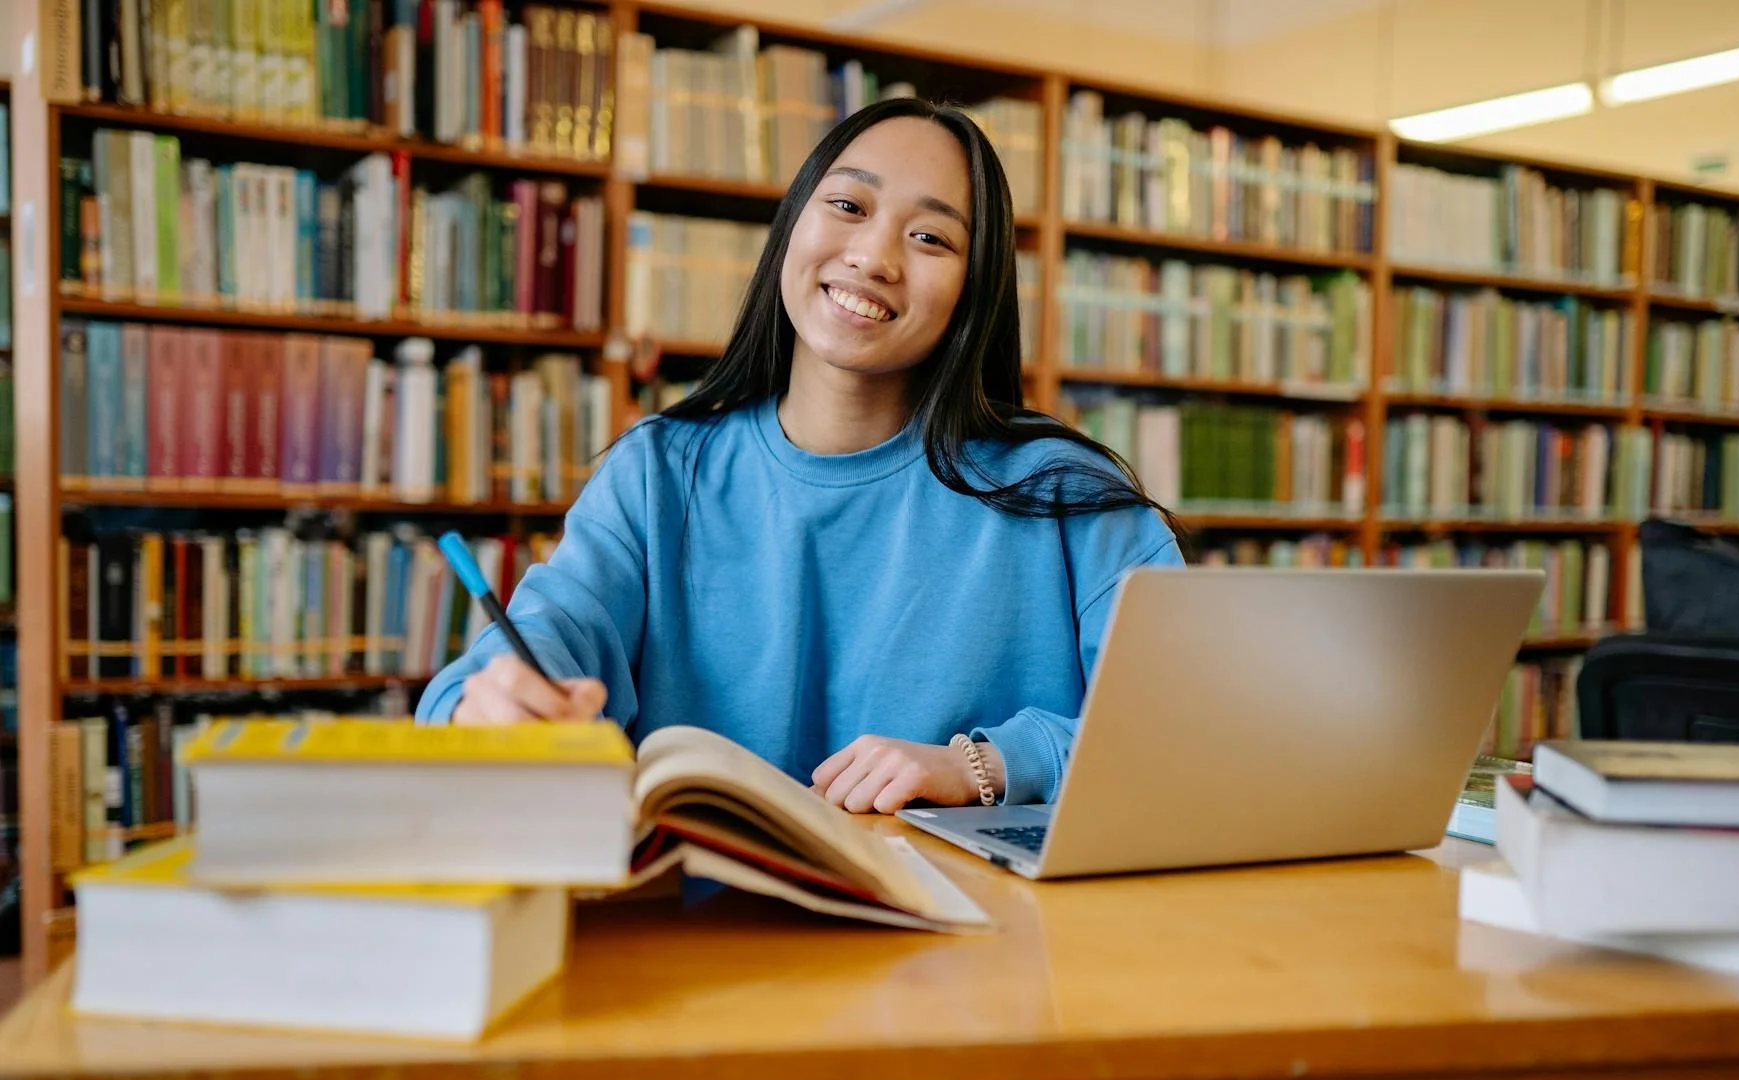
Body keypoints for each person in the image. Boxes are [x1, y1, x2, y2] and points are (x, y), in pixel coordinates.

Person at [417, 96, 1182, 813]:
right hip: (701, 943)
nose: (874, 257)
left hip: (982, 947)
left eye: (930, 237)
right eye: (848, 206)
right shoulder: (656, 475)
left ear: (973, 289)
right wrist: (491, 697)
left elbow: (1190, 733)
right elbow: (555, 629)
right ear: (791, 227)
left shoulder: (1069, 496)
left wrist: (985, 765)